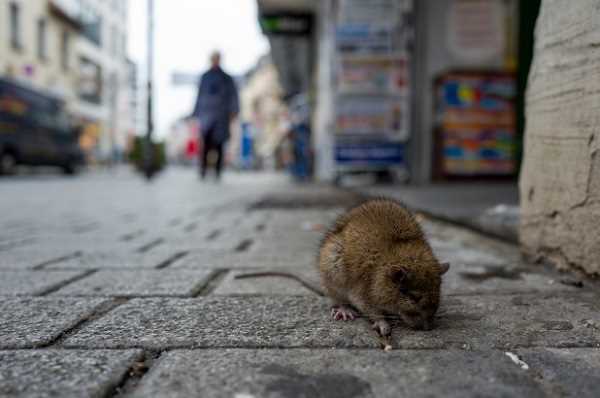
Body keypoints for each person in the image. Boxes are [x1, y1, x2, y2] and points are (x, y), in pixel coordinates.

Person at [192, 51, 239, 180]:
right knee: (205, 143)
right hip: (206, 115)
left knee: (219, 144)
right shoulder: (205, 77)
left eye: (217, 59)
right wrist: (196, 113)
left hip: (221, 115)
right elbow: (199, 95)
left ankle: (218, 171)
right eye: (213, 59)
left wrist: (234, 111)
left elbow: (233, 95)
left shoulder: (227, 78)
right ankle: (203, 170)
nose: (215, 61)